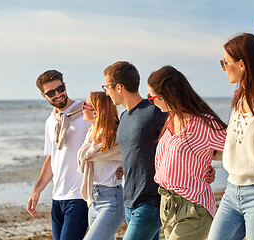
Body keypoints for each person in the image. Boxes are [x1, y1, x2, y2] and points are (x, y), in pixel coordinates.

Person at [207, 33, 254, 240]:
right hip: (232, 190)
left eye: (225, 62)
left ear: (242, 65)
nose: (223, 68)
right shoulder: (239, 100)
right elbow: (238, 146)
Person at [147, 65, 227, 240]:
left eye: (152, 97)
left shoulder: (204, 123)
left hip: (193, 206)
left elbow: (235, 149)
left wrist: (209, 162)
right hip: (167, 205)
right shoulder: (171, 119)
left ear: (167, 95)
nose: (151, 102)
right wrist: (205, 159)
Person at [102, 61, 166, 240]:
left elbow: (182, 140)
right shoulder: (124, 117)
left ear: (119, 87)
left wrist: (204, 168)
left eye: (107, 87)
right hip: (129, 201)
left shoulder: (154, 111)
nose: (106, 92)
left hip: (150, 202)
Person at [27, 70, 89, 239]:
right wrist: (36, 191)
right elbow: (52, 158)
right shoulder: (50, 122)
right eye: (51, 93)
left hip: (80, 197)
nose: (58, 95)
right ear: (43, 95)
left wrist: (119, 167)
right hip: (58, 198)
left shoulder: (87, 112)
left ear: (65, 86)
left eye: (60, 88)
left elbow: (109, 142)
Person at [77, 91, 124, 240]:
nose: (82, 108)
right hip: (94, 199)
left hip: (111, 200)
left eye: (85, 105)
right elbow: (85, 155)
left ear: (96, 113)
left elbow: (133, 153)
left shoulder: (114, 135)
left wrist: (126, 167)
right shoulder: (91, 134)